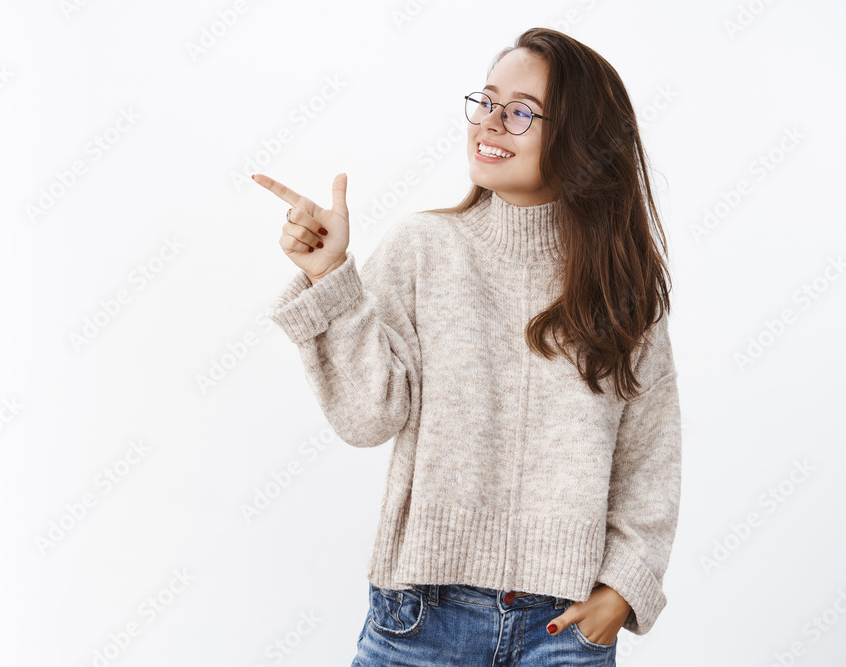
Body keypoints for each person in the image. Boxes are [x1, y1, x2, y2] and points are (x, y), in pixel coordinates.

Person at [252, 26, 681, 666]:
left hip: (561, 631)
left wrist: (625, 588)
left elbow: (649, 457)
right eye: (486, 102)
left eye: (520, 112)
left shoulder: (621, 288)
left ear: (584, 141)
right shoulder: (425, 249)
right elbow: (369, 417)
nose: (491, 123)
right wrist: (329, 279)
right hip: (420, 619)